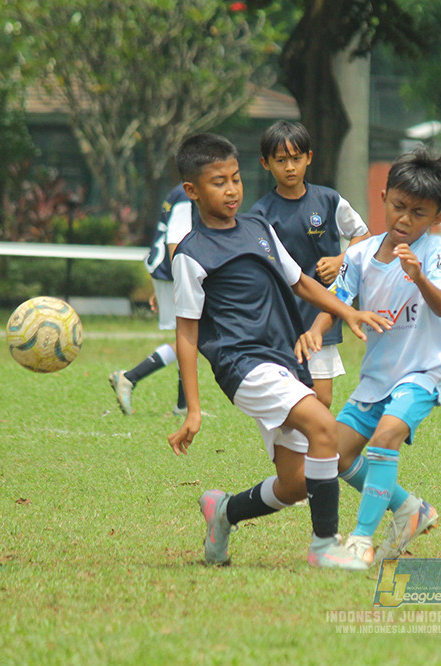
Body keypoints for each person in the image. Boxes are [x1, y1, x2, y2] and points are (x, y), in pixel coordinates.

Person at [165, 132, 391, 570]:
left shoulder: (258, 229)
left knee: (295, 484)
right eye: (218, 182)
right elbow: (187, 334)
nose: (231, 190)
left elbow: (301, 282)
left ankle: (223, 511)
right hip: (243, 366)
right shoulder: (192, 254)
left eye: (235, 179)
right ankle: (324, 546)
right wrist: (193, 409)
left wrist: (348, 312)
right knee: (324, 427)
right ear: (192, 190)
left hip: (284, 362)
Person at [299, 145, 441, 566]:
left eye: (419, 213)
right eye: (398, 206)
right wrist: (315, 330)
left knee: (386, 438)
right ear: (384, 197)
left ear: (437, 217)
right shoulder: (359, 254)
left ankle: (360, 539)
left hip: (422, 372)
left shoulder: (432, 250)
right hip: (376, 379)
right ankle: (409, 509)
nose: (405, 219)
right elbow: (337, 299)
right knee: (335, 455)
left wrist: (419, 277)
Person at [248, 120, 371, 408]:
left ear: (309, 158)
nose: (290, 167)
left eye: (296, 158)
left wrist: (342, 259)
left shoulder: (328, 200)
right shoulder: (261, 213)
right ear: (266, 164)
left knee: (322, 397)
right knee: (288, 394)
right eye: (281, 160)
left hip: (322, 313)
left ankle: (313, 440)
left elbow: (363, 235)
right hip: (282, 317)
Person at [108, 184, 193, 416]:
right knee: (192, 338)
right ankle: (130, 377)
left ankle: (183, 406)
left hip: (167, 274)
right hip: (174, 274)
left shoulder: (179, 191)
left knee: (189, 338)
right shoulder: (187, 195)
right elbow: (176, 241)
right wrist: (181, 281)